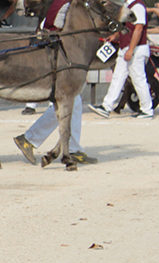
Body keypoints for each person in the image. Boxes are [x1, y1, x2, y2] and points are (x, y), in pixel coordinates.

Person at [13, 0, 94, 166]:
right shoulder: (64, 4)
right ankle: (33, 139)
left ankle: (69, 147)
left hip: (56, 56)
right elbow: (58, 29)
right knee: (70, 102)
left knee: (73, 102)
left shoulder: (62, 3)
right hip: (55, 58)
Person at [90, 0, 155, 119]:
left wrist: (131, 49)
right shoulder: (128, 6)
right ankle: (106, 106)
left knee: (138, 79)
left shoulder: (138, 6)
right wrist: (115, 36)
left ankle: (147, 109)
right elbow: (125, 27)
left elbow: (138, 29)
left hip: (136, 49)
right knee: (118, 77)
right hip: (126, 47)